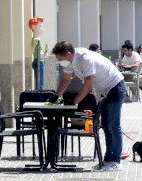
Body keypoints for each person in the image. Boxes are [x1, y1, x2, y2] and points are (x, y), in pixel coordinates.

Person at [48, 41, 126, 171]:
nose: (59, 61)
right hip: (104, 91)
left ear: (68, 54)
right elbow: (66, 78)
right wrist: (56, 95)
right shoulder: (69, 61)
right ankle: (107, 160)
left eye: (59, 59)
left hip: (115, 87)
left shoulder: (84, 58)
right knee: (106, 126)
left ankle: (116, 161)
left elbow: (88, 84)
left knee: (113, 126)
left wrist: (75, 101)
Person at [28, 17, 48, 90]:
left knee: (41, 80)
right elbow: (32, 51)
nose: (42, 28)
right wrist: (35, 43)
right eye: (40, 26)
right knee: (39, 81)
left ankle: (40, 92)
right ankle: (39, 93)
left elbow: (42, 54)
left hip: (41, 62)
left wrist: (45, 51)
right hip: (38, 62)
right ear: (33, 27)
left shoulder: (39, 39)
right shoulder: (35, 39)